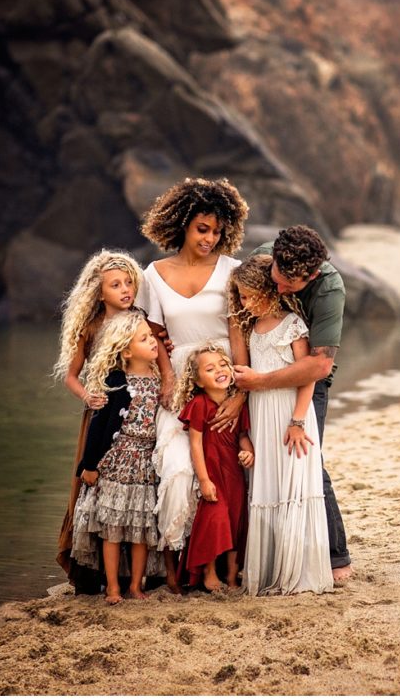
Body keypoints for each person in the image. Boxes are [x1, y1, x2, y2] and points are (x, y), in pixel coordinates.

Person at [135, 177, 250, 591]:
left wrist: (240, 393)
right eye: (203, 229)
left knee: (229, 472)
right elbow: (154, 332)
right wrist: (167, 377)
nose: (210, 238)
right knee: (179, 470)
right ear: (183, 224)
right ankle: (179, 567)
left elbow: (238, 333)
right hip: (180, 385)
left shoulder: (232, 271)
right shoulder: (153, 273)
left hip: (223, 378)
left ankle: (224, 567)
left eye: (218, 231)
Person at [233, 226, 353, 581]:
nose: (281, 288)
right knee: (262, 465)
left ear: (312, 276)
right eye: (278, 279)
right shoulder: (265, 256)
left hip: (307, 380)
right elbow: (238, 306)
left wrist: (260, 383)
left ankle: (335, 555)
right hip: (261, 378)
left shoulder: (330, 289)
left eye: (291, 286)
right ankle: (266, 552)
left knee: (307, 461)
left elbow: (318, 365)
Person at [53, 249, 143, 593]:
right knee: (94, 483)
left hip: (135, 418)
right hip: (100, 414)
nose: (125, 290)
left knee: (133, 489)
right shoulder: (90, 328)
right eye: (116, 285)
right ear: (99, 292)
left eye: (128, 283)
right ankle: (90, 570)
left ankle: (127, 573)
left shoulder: (141, 320)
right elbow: (72, 376)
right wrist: (87, 395)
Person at [70, 310, 161, 603]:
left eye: (152, 337)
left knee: (141, 529)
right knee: (112, 529)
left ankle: (136, 585)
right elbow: (98, 428)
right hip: (118, 462)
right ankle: (112, 586)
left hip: (146, 463)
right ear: (126, 349)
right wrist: (90, 465)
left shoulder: (161, 380)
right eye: (145, 339)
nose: (153, 343)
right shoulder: (117, 381)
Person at [173, 343, 255, 591]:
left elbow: (241, 434)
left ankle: (231, 577)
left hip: (233, 474)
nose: (219, 370)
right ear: (198, 381)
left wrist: (248, 451)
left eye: (223, 364)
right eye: (210, 369)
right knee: (215, 519)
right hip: (213, 472)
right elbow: (196, 444)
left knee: (235, 521)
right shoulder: (199, 404)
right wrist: (204, 480)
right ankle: (208, 572)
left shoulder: (236, 404)